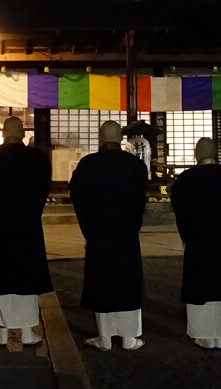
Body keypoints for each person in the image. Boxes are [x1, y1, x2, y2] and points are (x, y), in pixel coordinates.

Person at [69, 121, 148, 351]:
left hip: (99, 234)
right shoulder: (135, 166)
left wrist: (89, 227)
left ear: (100, 138)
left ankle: (104, 337)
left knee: (102, 282)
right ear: (120, 139)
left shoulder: (88, 165)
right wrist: (133, 224)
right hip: (126, 234)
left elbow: (76, 195)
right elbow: (140, 200)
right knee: (128, 282)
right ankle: (129, 338)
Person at [0, 116, 52, 347]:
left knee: (1, 278)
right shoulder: (37, 158)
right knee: (27, 278)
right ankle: (28, 332)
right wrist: (31, 212)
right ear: (23, 134)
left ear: (2, 133)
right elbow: (42, 191)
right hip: (28, 224)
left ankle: (1, 333)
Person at [170, 138, 221, 349]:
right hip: (220, 239)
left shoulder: (186, 179)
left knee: (199, 284)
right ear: (216, 153)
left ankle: (203, 334)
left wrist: (187, 234)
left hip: (197, 240)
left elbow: (180, 210)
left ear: (196, 154)